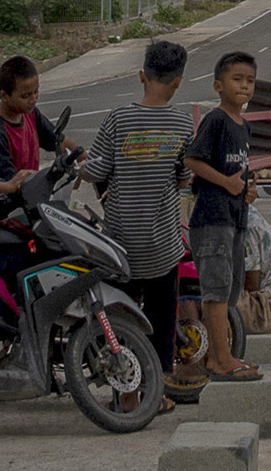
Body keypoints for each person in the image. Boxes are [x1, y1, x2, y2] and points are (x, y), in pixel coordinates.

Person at [76, 39, 197, 406]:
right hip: (161, 245)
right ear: (178, 82)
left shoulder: (118, 118)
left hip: (120, 245)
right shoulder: (181, 123)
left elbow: (96, 167)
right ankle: (156, 392)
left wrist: (81, 170)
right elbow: (182, 177)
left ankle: (126, 396)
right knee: (161, 318)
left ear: (141, 76)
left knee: (121, 316)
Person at [185, 49, 265, 383]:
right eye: (237, 79)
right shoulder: (216, 120)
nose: (244, 87)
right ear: (218, 85)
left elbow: (239, 173)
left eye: (250, 81)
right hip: (212, 219)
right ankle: (221, 359)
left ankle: (219, 356)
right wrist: (227, 183)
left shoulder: (243, 127)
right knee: (216, 291)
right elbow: (193, 161)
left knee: (230, 290)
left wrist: (246, 190)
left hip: (235, 219)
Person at [0, 54, 56, 197]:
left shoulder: (30, 113)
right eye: (25, 96)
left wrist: (81, 156)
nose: (33, 99)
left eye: (36, 92)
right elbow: (10, 185)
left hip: (29, 197)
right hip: (3, 209)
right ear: (4, 96)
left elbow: (56, 139)